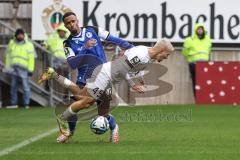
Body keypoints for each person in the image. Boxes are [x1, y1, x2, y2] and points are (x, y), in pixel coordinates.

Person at [38, 39, 174, 142]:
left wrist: (139, 78)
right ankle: (63, 118)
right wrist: (133, 84)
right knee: (87, 101)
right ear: (161, 51)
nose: (166, 58)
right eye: (167, 55)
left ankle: (53, 74)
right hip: (104, 75)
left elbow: (128, 62)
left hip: (109, 77)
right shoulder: (142, 54)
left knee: (97, 106)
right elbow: (122, 67)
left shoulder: (149, 54)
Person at [50, 11, 134, 143]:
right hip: (84, 79)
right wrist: (84, 47)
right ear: (65, 26)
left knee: (103, 112)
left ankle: (114, 128)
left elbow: (112, 38)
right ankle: (69, 132)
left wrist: (129, 46)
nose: (72, 24)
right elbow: (73, 64)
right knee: (73, 107)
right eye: (68, 23)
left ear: (77, 20)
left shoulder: (92, 30)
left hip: (103, 76)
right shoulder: (68, 43)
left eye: (73, 21)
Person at [5, 29, 36, 109]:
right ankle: (13, 103)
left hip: (24, 69)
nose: (20, 36)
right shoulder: (11, 44)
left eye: (21, 34)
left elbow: (31, 58)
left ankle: (26, 104)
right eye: (18, 34)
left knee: (26, 87)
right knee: (13, 86)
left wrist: (30, 70)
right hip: (13, 68)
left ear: (24, 35)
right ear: (15, 35)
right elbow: (8, 57)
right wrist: (7, 68)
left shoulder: (29, 44)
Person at [182, 23, 212, 97]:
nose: (200, 31)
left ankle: (204, 98)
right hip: (193, 64)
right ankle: (197, 99)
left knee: (205, 82)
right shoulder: (190, 40)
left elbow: (209, 51)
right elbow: (184, 51)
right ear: (195, 30)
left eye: (201, 29)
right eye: (198, 29)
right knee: (195, 82)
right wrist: (189, 58)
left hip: (205, 64)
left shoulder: (207, 39)